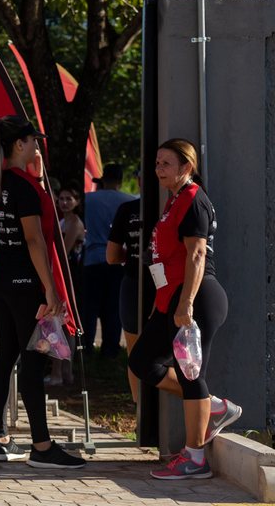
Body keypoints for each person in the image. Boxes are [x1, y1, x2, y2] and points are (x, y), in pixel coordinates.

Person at [130, 139, 241, 480]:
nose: (158, 168)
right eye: (157, 163)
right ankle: (216, 407)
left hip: (196, 297)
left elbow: (196, 255)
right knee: (142, 362)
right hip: (171, 298)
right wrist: (159, 303)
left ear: (186, 167)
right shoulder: (174, 200)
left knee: (193, 375)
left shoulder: (192, 199)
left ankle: (195, 459)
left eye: (165, 163)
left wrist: (186, 303)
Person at [0, 115, 85, 468]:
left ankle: (1, 440)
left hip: (2, 276)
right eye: (33, 141)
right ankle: (41, 447)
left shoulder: (1, 180)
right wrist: (52, 291)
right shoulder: (25, 187)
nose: (38, 145)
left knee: (6, 354)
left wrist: (37, 175)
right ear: (20, 144)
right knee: (34, 358)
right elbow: (34, 239)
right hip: (25, 281)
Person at [106, 169, 153, 401]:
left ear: (137, 182)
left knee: (134, 352)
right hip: (166, 286)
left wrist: (134, 254)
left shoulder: (127, 210)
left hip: (134, 284)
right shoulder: (173, 208)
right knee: (171, 351)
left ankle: (139, 412)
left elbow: (112, 256)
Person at [80, 163, 134, 357]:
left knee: (89, 307)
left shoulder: (87, 200)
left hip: (93, 258)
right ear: (120, 181)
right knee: (114, 307)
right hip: (119, 258)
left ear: (102, 179)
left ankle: (85, 349)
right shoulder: (130, 200)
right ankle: (111, 351)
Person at [49, 186, 84, 387]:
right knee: (61, 323)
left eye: (69, 198)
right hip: (61, 276)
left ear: (77, 201)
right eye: (61, 198)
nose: (64, 202)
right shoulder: (63, 220)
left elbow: (64, 251)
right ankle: (62, 372)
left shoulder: (74, 223)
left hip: (69, 278)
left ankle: (62, 372)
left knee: (65, 324)